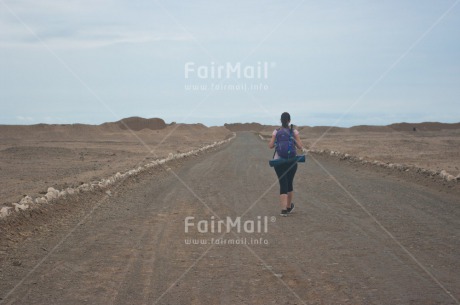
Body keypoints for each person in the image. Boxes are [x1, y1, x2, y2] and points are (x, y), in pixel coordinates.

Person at [268, 112, 305, 217]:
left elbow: (270, 145)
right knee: (289, 183)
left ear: (281, 120)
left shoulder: (276, 131)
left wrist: (276, 143)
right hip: (292, 161)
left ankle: (283, 210)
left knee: (282, 183)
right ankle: (288, 207)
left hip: (278, 162)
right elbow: (300, 147)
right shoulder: (294, 131)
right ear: (289, 120)